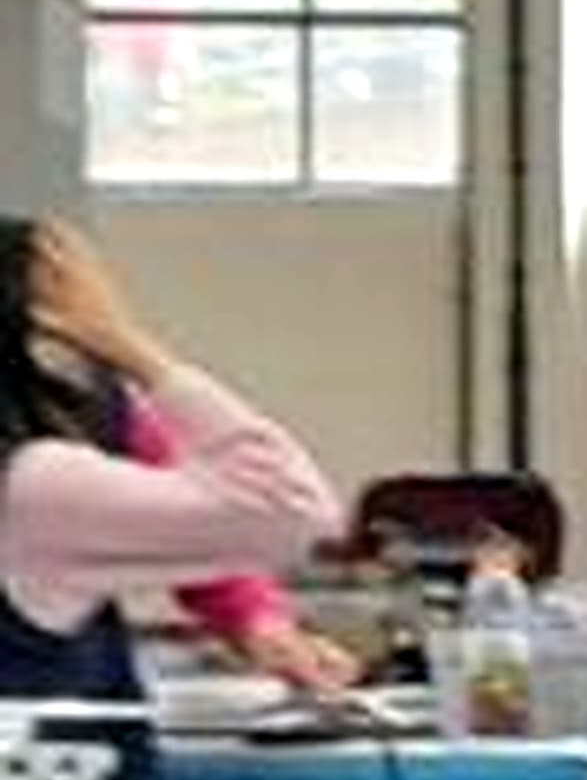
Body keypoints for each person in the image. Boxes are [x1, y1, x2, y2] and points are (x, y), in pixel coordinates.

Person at [0, 215, 342, 697]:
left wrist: (255, 619)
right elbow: (288, 507)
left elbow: (167, 508)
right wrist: (130, 346)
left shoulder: (82, 434)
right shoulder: (38, 483)